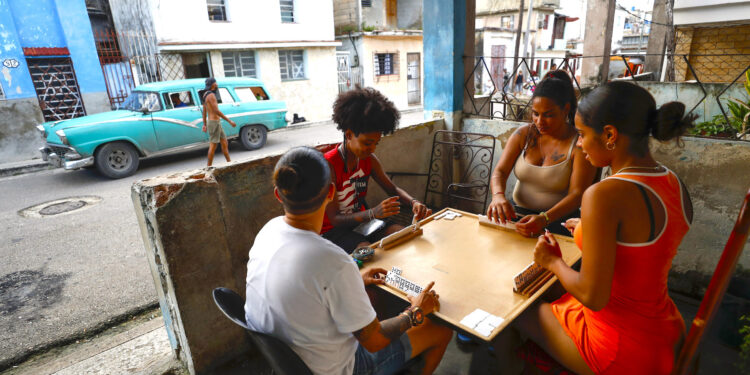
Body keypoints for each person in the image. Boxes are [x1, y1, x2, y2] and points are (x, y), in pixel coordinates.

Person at [508, 81, 695, 374]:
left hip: (617, 345)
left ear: (610, 135)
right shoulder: (673, 182)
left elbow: (593, 296)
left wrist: (552, 261)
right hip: (664, 333)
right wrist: (588, 226)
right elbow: (643, 244)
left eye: (582, 134)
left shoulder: (603, 195)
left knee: (511, 312)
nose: (579, 144)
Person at [245, 147, 452, 375]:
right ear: (331, 192)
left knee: (373, 302)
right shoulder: (332, 260)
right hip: (337, 369)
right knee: (439, 329)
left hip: (289, 361)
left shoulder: (268, 230)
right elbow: (375, 342)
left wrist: (355, 278)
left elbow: (305, 287)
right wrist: (415, 312)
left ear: (278, 194)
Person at [486, 70, 596, 237]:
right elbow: (500, 172)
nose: (539, 121)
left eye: (548, 115)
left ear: (565, 109)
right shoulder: (523, 134)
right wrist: (498, 196)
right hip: (518, 217)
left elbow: (577, 194)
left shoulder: (578, 144)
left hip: (559, 222)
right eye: (535, 114)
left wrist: (544, 218)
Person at [321, 87, 432, 253]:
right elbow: (335, 219)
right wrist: (373, 213)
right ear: (349, 134)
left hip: (363, 222)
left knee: (404, 235)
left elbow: (392, 189)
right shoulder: (329, 165)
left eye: (376, 143)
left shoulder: (368, 160)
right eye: (367, 143)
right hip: (333, 231)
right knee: (366, 252)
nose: (372, 149)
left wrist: (414, 202)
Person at [201, 77, 236, 166]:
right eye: (215, 82)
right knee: (213, 146)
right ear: (212, 84)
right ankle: (208, 167)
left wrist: (204, 124)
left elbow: (204, 111)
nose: (217, 84)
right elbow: (216, 111)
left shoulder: (205, 95)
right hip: (214, 123)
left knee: (224, 142)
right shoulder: (211, 95)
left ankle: (229, 163)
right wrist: (229, 121)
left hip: (215, 123)